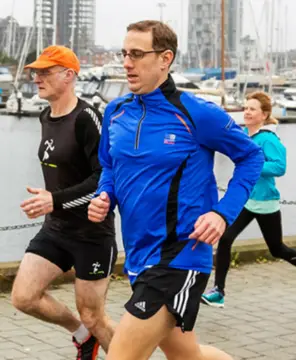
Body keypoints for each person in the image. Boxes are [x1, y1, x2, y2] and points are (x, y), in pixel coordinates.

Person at [87, 20, 264, 360]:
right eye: (124, 53)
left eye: (137, 54)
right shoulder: (116, 111)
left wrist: (222, 213)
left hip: (181, 255)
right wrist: (104, 196)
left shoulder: (196, 113)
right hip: (139, 255)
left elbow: (252, 156)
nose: (127, 62)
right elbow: (109, 166)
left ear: (165, 59)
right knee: (189, 356)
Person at [12, 45, 117, 360]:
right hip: (55, 229)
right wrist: (51, 206)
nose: (37, 78)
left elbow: (103, 177)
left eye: (45, 72)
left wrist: (53, 200)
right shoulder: (46, 116)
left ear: (69, 75)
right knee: (24, 297)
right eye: (36, 72)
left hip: (91, 235)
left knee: (94, 316)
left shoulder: (87, 118)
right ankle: (83, 337)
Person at [201, 91, 296, 308]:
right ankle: (218, 291)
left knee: (277, 249)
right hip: (245, 200)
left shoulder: (268, 139)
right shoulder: (245, 134)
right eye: (245, 108)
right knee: (225, 239)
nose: (247, 112)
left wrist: (252, 166)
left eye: (252, 109)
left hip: (265, 203)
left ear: (264, 115)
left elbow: (279, 167)